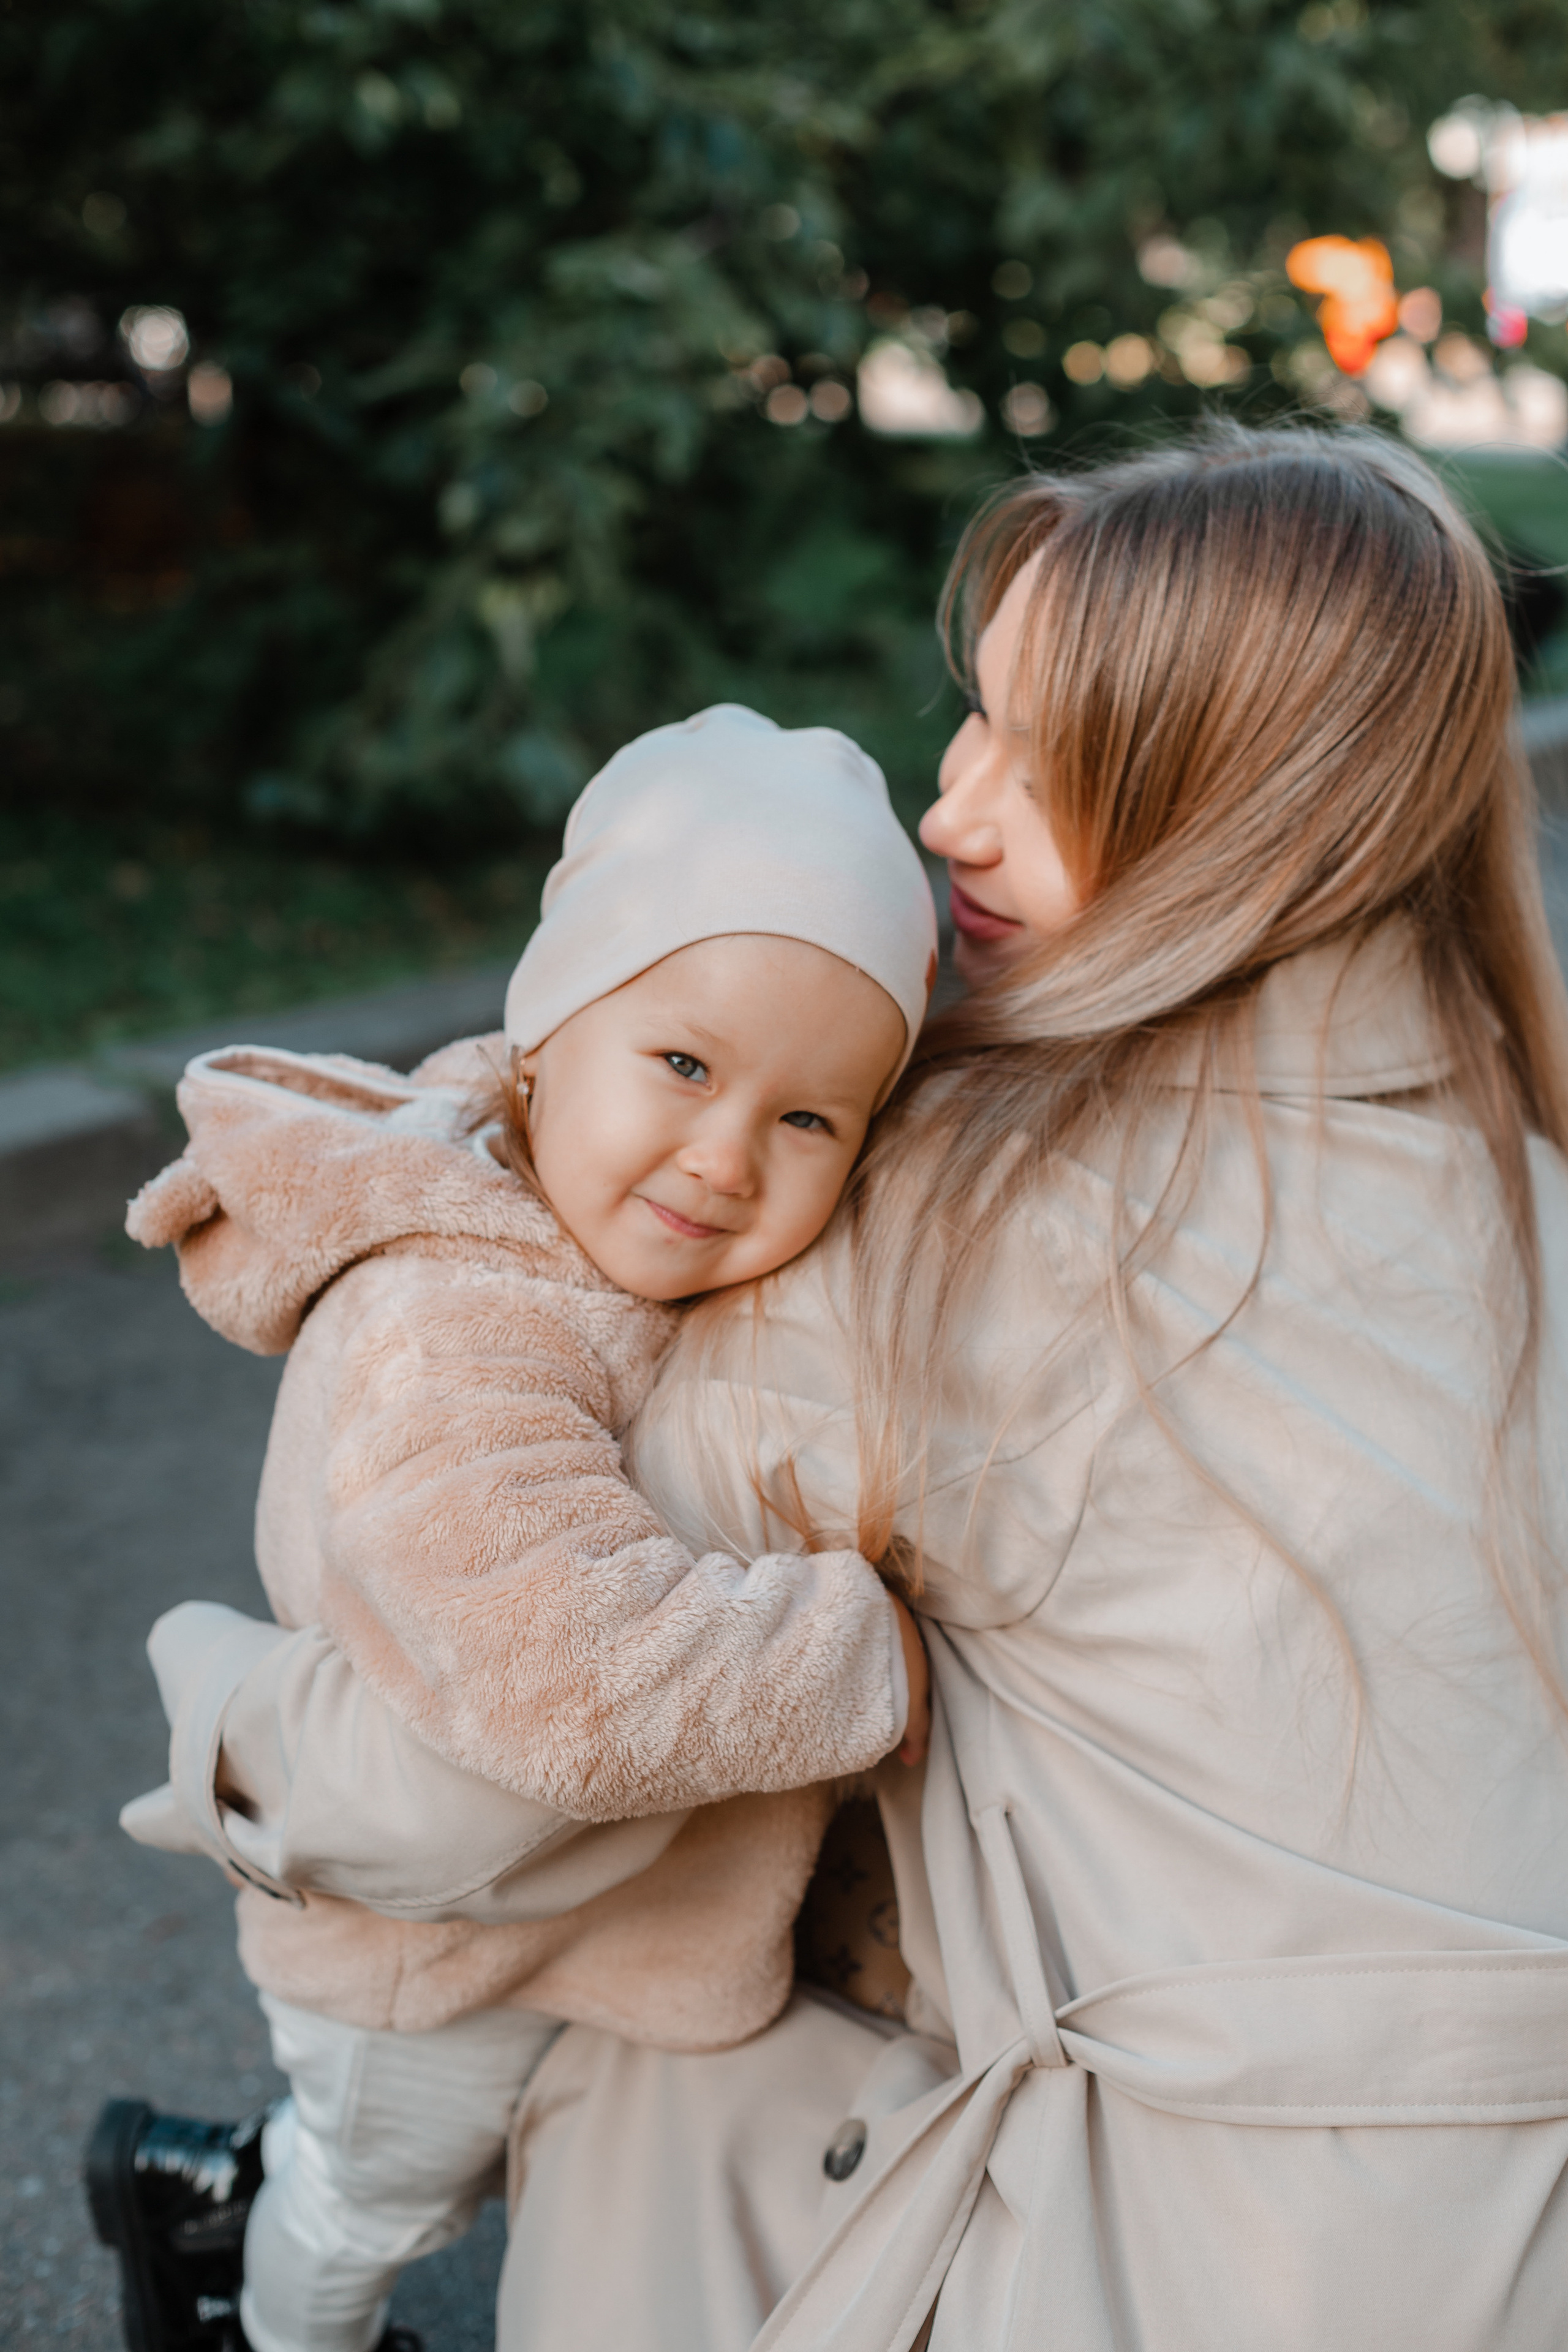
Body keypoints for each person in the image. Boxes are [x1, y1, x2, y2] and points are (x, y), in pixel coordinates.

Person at [113, 420, 1568, 2351]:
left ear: (1247, 817)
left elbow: (512, 1732)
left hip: (1181, 2261)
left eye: (1048, 768)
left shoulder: (958, 1230)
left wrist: (223, 1718)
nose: (954, 816)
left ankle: (274, 2248)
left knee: (646, 1928)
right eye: (972, 723)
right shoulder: (1523, 1171)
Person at [89, 704, 937, 2352]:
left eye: (809, 1120)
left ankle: (189, 2182)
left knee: (385, 2155)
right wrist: (871, 1657)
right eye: (686, 1066)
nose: (724, 1157)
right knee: (386, 2194)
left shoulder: (574, 1222)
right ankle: (273, 2329)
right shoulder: (463, 1324)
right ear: (548, 1029)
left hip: (526, 1906)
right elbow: (575, 1677)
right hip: (429, 1951)